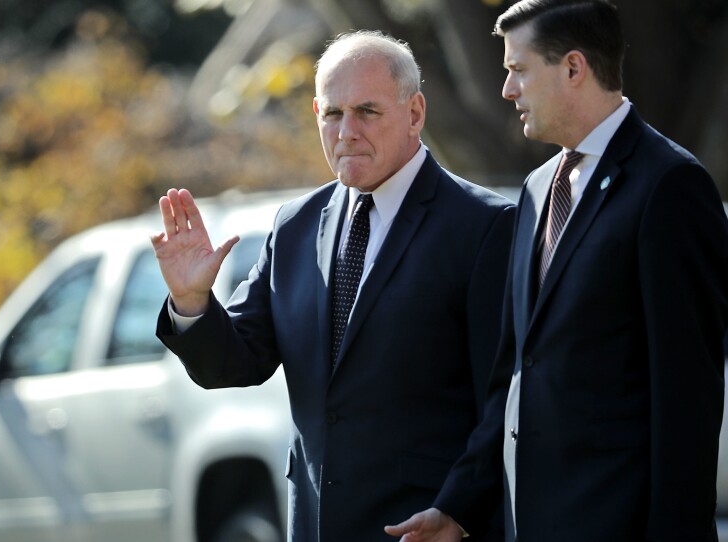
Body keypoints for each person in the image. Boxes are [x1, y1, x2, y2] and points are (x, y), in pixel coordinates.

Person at [151, 30, 514, 541]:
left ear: (415, 113)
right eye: (333, 114)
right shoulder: (295, 225)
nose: (347, 131)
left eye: (367, 111)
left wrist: (460, 511)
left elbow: (505, 397)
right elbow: (235, 363)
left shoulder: (484, 225)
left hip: (427, 529)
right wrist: (191, 302)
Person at [386, 1, 728, 541]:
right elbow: (514, 372)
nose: (507, 89)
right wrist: (459, 506)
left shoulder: (670, 186)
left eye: (518, 69)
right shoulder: (538, 187)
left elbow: (688, 395)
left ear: (573, 68)